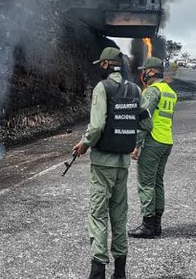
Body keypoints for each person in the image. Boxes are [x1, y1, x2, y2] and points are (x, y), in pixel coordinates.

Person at [73, 47, 142, 279]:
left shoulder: (102, 88)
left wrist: (83, 144)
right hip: (123, 164)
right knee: (119, 216)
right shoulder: (135, 89)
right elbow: (146, 123)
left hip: (102, 164)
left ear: (105, 65)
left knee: (98, 214)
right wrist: (135, 143)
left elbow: (96, 126)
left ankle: (98, 271)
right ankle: (120, 272)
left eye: (100, 64)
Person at [128, 57, 177, 238]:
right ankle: (157, 225)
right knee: (158, 182)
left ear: (150, 72)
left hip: (152, 141)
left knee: (146, 183)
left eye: (144, 71)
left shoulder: (152, 91)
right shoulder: (170, 91)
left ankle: (147, 225)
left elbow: (143, 119)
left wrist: (136, 145)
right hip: (166, 141)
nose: (143, 74)